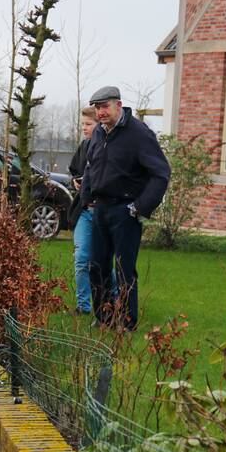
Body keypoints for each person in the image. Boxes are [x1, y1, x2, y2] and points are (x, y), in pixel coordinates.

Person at [80, 86, 171, 331]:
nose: (100, 112)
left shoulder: (139, 133)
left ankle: (127, 322)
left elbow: (161, 173)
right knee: (97, 266)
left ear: (118, 105)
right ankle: (103, 317)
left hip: (125, 211)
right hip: (100, 209)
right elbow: (90, 166)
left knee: (124, 270)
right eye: (97, 108)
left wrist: (140, 207)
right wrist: (86, 196)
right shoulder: (99, 133)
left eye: (105, 107)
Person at [67, 106, 98, 316]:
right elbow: (74, 171)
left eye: (88, 124)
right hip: (84, 211)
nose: (84, 128)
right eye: (83, 124)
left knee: (101, 261)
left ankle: (115, 300)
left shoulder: (109, 147)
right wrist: (75, 182)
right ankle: (83, 306)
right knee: (81, 257)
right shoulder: (84, 146)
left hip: (104, 213)